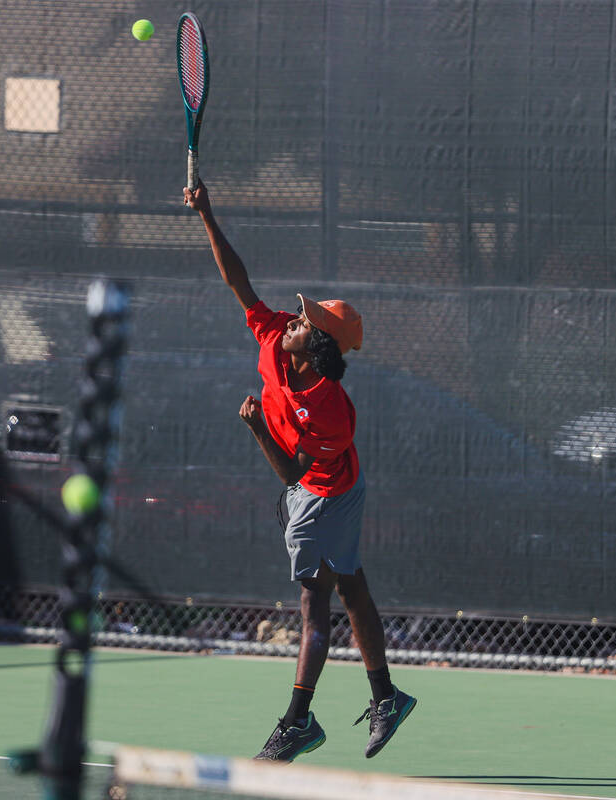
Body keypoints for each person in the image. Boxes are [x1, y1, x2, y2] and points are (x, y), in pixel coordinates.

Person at [185, 180, 416, 762]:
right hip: (320, 489)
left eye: (305, 319)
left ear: (317, 345)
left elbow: (293, 474)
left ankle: (298, 722)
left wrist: (258, 426)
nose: (294, 317)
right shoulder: (275, 339)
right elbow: (240, 283)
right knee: (353, 584)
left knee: (317, 602)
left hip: (328, 494)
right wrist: (208, 215)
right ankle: (386, 696)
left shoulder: (334, 414)